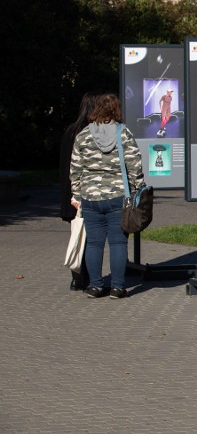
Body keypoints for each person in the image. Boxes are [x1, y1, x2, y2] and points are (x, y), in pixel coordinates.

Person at [69, 93, 143, 299]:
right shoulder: (123, 133)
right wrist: (138, 189)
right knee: (118, 243)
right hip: (118, 196)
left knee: (94, 243)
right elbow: (134, 165)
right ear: (116, 110)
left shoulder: (83, 135)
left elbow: (75, 168)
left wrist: (77, 194)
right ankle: (118, 287)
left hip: (90, 197)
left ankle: (95, 286)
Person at [60, 93, 98, 291]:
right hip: (87, 192)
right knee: (91, 237)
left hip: (70, 193)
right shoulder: (91, 133)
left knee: (76, 233)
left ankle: (77, 276)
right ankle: (89, 277)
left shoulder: (71, 131)